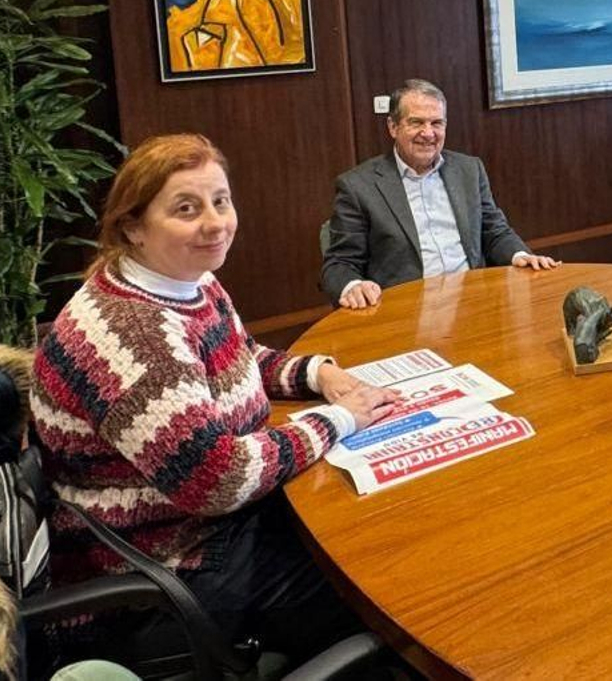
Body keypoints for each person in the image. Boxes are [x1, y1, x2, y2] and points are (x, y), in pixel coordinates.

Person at [31, 134, 402, 665]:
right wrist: (338, 420)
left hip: (206, 527)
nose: (215, 222)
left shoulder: (187, 281)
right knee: (375, 582)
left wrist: (320, 375)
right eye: (186, 209)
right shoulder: (132, 335)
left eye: (220, 201)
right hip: (164, 570)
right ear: (132, 227)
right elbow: (217, 479)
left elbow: (240, 356)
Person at [321, 79, 559, 309]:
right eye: (416, 123)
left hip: (473, 304)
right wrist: (353, 285)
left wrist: (518, 254)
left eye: (437, 123)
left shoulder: (469, 170)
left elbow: (494, 231)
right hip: (403, 313)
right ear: (393, 127)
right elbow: (340, 263)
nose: (428, 133)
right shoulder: (358, 186)